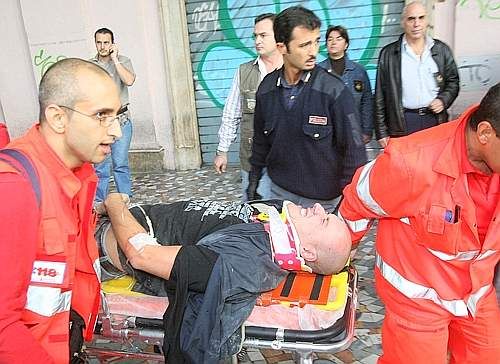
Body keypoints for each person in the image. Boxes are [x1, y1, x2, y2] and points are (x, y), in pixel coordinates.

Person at [339, 82, 500, 363]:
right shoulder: (411, 162)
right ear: (485, 133)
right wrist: (334, 260)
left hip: (476, 294)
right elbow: (355, 204)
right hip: (417, 302)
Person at [98, 193, 352, 363]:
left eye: (324, 220)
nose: (319, 208)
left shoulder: (243, 262)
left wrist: (115, 203)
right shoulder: (273, 225)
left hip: (103, 240)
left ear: (306, 252)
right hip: (125, 219)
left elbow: (143, 255)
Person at [0, 58, 122, 363]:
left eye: (118, 115)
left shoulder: (80, 175)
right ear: (57, 118)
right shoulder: (14, 188)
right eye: (102, 116)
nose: (117, 131)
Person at [247, 6, 367, 212]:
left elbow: (354, 155)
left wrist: (344, 210)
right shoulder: (266, 89)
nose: (314, 51)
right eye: (304, 45)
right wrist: (253, 185)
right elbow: (260, 143)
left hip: (324, 206)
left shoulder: (334, 90)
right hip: (278, 197)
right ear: (282, 47)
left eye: (316, 41)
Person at [214, 13, 282, 201]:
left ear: (279, 36)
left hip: (286, 160)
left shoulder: (292, 70)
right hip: (252, 158)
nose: (257, 41)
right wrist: (222, 151)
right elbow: (232, 113)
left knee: (284, 213)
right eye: (255, 36)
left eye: (263, 35)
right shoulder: (244, 71)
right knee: (252, 209)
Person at [374, 1, 459, 148]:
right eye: (411, 19)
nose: (416, 24)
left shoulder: (441, 50)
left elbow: (453, 81)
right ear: (403, 22)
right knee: (407, 169)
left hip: (434, 120)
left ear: (427, 21)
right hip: (403, 122)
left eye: (421, 18)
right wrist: (381, 132)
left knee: (433, 166)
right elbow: (380, 95)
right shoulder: (389, 54)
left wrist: (443, 100)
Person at [91, 27, 136, 202]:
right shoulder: (89, 65)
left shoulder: (124, 60)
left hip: (121, 120)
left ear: (112, 43)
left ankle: (125, 199)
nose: (102, 46)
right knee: (100, 166)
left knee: (120, 163)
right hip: (100, 122)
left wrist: (115, 59)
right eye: (98, 42)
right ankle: (98, 202)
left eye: (106, 42)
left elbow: (129, 81)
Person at [318, 25, 373, 144]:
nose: (333, 42)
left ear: (346, 44)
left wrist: (367, 130)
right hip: (327, 134)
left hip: (353, 132)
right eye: (330, 39)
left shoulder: (358, 71)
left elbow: (366, 101)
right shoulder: (318, 72)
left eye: (338, 39)